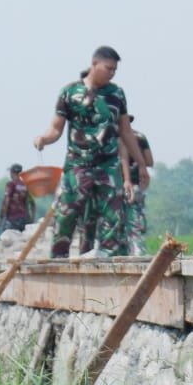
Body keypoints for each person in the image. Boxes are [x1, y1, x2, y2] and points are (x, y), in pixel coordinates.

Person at [34, 46, 150, 259]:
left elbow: (125, 131)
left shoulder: (116, 94)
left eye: (115, 70)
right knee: (67, 214)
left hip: (108, 164)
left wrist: (141, 165)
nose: (112, 73)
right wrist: (43, 139)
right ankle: (58, 259)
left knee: (113, 215)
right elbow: (56, 128)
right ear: (94, 64)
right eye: (108, 68)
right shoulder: (70, 92)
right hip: (79, 164)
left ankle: (110, 258)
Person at [119, 118, 154, 255]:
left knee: (116, 226)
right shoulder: (140, 137)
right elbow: (150, 161)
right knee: (136, 223)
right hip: (135, 185)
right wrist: (140, 163)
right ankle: (138, 253)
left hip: (113, 186)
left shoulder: (110, 139)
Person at [0, 163, 35, 233]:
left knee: (9, 240)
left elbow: (6, 201)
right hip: (24, 219)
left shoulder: (11, 184)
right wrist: (31, 219)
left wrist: (1, 217)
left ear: (12, 173)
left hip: (12, 219)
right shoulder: (25, 185)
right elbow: (33, 204)